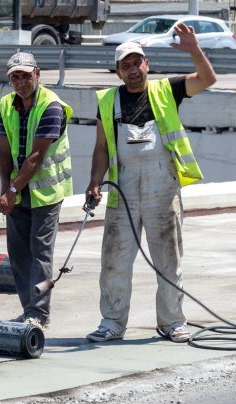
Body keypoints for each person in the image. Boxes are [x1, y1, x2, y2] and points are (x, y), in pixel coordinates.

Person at [85, 25, 217, 343]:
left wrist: (194, 49)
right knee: (114, 261)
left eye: (137, 62)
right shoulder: (108, 101)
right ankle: (112, 323)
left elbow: (207, 79)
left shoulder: (167, 90)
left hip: (163, 189)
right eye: (126, 65)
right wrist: (94, 183)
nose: (133, 70)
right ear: (118, 72)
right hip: (123, 192)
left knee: (169, 259)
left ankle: (172, 322)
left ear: (147, 64)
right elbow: (101, 147)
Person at [0, 52, 73, 330]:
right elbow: (4, 152)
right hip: (17, 190)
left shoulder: (52, 107)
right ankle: (28, 310)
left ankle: (39, 314)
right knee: (18, 253)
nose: (21, 82)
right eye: (15, 77)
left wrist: (12, 189)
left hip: (46, 192)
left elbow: (36, 157)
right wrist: (5, 189)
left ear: (37, 75)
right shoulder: (5, 104)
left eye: (26, 76)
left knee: (40, 253)